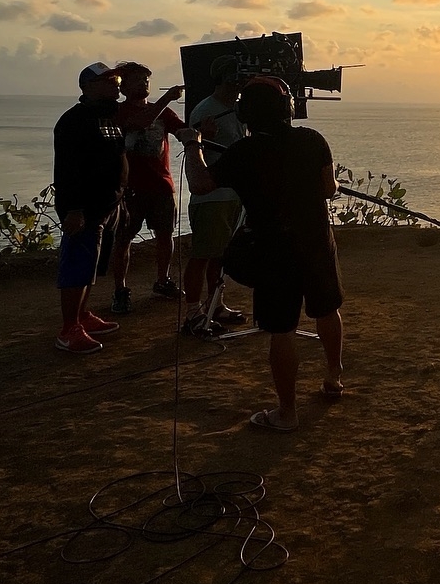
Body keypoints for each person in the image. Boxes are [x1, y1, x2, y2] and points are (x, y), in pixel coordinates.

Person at [182, 74, 342, 431]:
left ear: (245, 114)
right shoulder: (312, 139)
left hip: (273, 249)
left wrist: (194, 144)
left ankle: (287, 413)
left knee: (282, 330)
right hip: (317, 241)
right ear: (287, 109)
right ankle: (334, 376)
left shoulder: (244, 152)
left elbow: (201, 184)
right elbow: (329, 189)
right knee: (327, 309)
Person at [52, 61, 129, 354]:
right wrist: (74, 209)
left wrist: (121, 195)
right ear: (87, 86)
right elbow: (67, 169)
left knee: (92, 266)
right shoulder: (75, 121)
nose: (115, 85)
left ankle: (83, 316)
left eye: (116, 80)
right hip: (85, 208)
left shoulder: (108, 117)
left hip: (109, 204)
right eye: (108, 81)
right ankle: (69, 329)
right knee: (77, 268)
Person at [180, 55, 248, 338]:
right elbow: (195, 148)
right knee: (203, 255)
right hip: (211, 196)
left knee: (220, 255)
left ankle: (215, 304)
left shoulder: (237, 109)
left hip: (232, 194)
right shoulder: (206, 109)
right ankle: (193, 312)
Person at [110, 63, 185, 313]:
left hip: (161, 185)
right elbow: (141, 122)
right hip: (130, 189)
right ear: (124, 87)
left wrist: (199, 131)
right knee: (123, 239)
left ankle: (163, 280)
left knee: (165, 235)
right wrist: (167, 98)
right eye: (137, 79)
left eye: (146, 79)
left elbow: (182, 130)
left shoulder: (163, 112)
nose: (143, 83)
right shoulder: (119, 112)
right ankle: (120, 289)